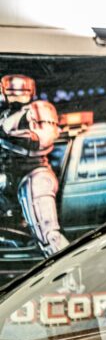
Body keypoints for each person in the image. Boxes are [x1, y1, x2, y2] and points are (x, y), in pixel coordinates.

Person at [0, 73, 67, 256]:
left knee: (49, 237)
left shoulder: (38, 109)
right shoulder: (6, 115)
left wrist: (10, 136)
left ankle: (72, 273)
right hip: (9, 179)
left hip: (34, 175)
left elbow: (43, 139)